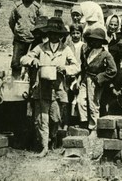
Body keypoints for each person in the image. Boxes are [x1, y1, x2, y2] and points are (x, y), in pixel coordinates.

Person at [20, 17, 80, 157]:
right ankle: (44, 147)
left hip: (58, 89)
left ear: (61, 35)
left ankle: (53, 138)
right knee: (42, 118)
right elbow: (23, 59)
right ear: (48, 33)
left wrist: (64, 68)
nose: (54, 36)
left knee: (55, 118)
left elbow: (76, 66)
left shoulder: (65, 49)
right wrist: (33, 60)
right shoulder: (41, 47)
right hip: (42, 88)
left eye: (57, 33)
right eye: (51, 33)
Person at [77, 27, 117, 136]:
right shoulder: (88, 51)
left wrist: (100, 77)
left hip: (95, 80)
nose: (93, 42)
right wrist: (80, 78)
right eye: (92, 40)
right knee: (80, 100)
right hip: (86, 77)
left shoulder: (106, 54)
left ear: (101, 42)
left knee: (93, 103)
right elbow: (83, 66)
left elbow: (113, 70)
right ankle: (84, 122)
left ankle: (93, 128)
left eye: (96, 40)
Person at [9, 0, 42, 79]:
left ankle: (31, 86)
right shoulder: (17, 7)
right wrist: (17, 33)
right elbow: (11, 22)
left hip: (33, 41)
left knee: (33, 63)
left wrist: (37, 36)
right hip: (19, 40)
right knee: (15, 63)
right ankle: (15, 84)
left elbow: (42, 24)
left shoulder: (37, 8)